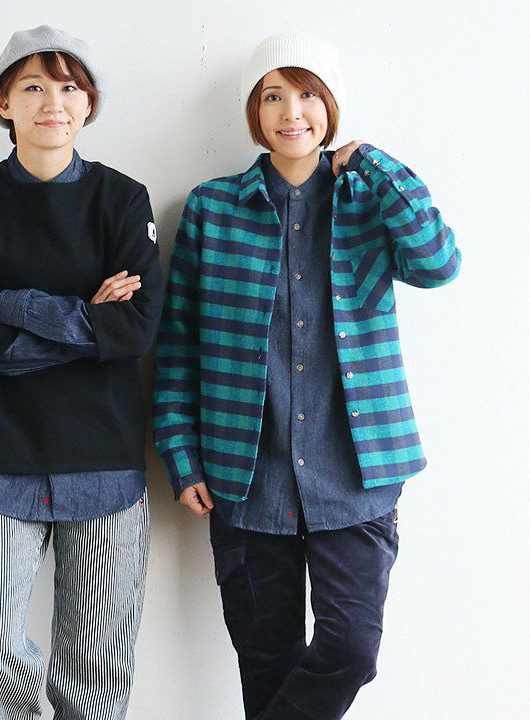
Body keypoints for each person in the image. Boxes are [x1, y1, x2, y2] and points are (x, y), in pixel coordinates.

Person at [153, 32, 461, 720]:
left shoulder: (368, 201)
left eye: (308, 95)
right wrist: (180, 454)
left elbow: (439, 262)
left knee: (351, 649)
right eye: (273, 96)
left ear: (331, 107)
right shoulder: (212, 208)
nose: (291, 112)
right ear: (254, 111)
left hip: (356, 475)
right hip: (244, 477)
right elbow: (178, 343)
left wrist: (372, 161)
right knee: (266, 662)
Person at [0, 25, 163, 720]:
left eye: (68, 88)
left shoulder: (123, 199)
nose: (52, 103)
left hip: (106, 463)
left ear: (88, 104)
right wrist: (89, 327)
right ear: (4, 103)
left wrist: (16, 307)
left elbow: (136, 330)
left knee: (96, 667)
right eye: (33, 86)